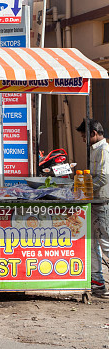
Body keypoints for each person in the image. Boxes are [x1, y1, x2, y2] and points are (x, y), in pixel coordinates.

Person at [77, 119, 109, 297]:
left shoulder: (104, 150)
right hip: (94, 203)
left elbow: (103, 178)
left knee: (106, 245)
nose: (83, 140)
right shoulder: (95, 150)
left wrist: (84, 189)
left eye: (84, 136)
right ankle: (98, 284)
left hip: (102, 203)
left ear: (94, 134)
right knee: (92, 244)